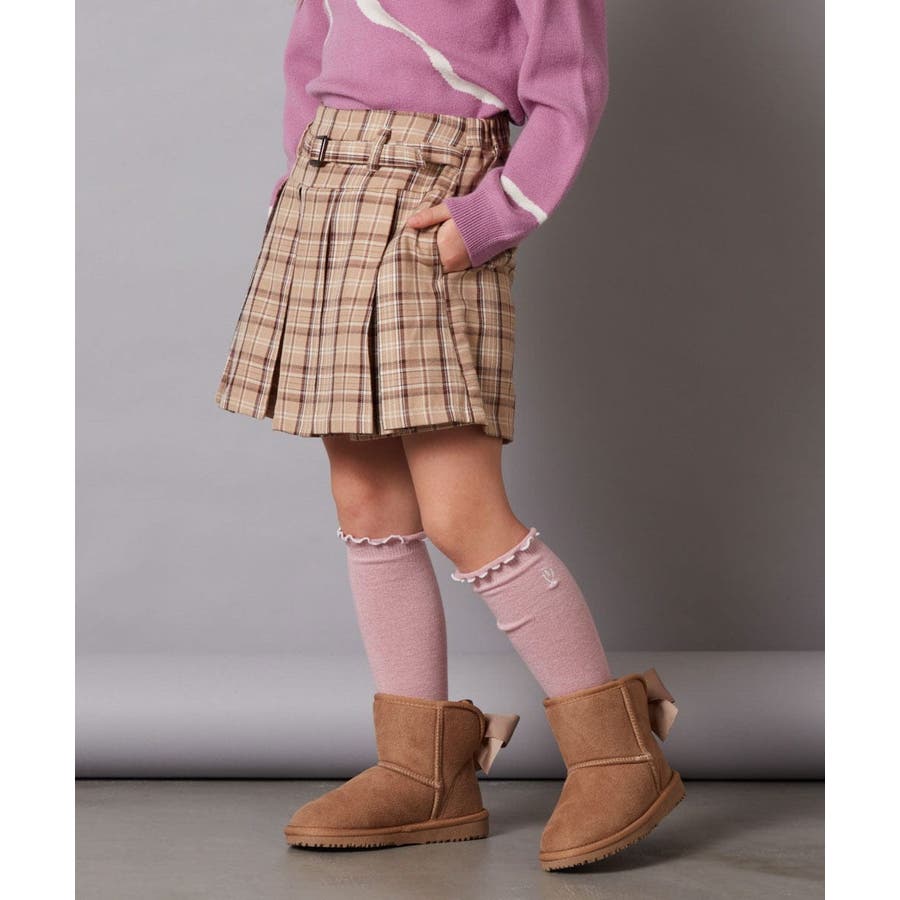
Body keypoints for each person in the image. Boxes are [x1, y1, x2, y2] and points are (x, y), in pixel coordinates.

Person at [215, 0, 684, 871]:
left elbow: (569, 89)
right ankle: (421, 769)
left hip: (436, 197)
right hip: (326, 190)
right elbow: (311, 48)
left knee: (463, 511)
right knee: (365, 498)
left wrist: (494, 212)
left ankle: (617, 753)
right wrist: (302, 179)